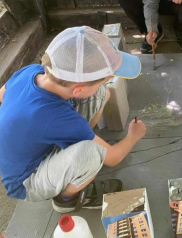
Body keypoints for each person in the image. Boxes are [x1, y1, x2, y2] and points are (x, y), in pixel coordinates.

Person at [0, 26, 146, 213]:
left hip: (30, 147)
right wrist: (133, 135)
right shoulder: (57, 117)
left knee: (101, 94)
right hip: (26, 182)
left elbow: (2, 95)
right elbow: (113, 158)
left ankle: (78, 147)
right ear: (78, 90)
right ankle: (66, 199)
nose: (103, 84)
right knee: (92, 153)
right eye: (102, 80)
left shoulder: (31, 71)